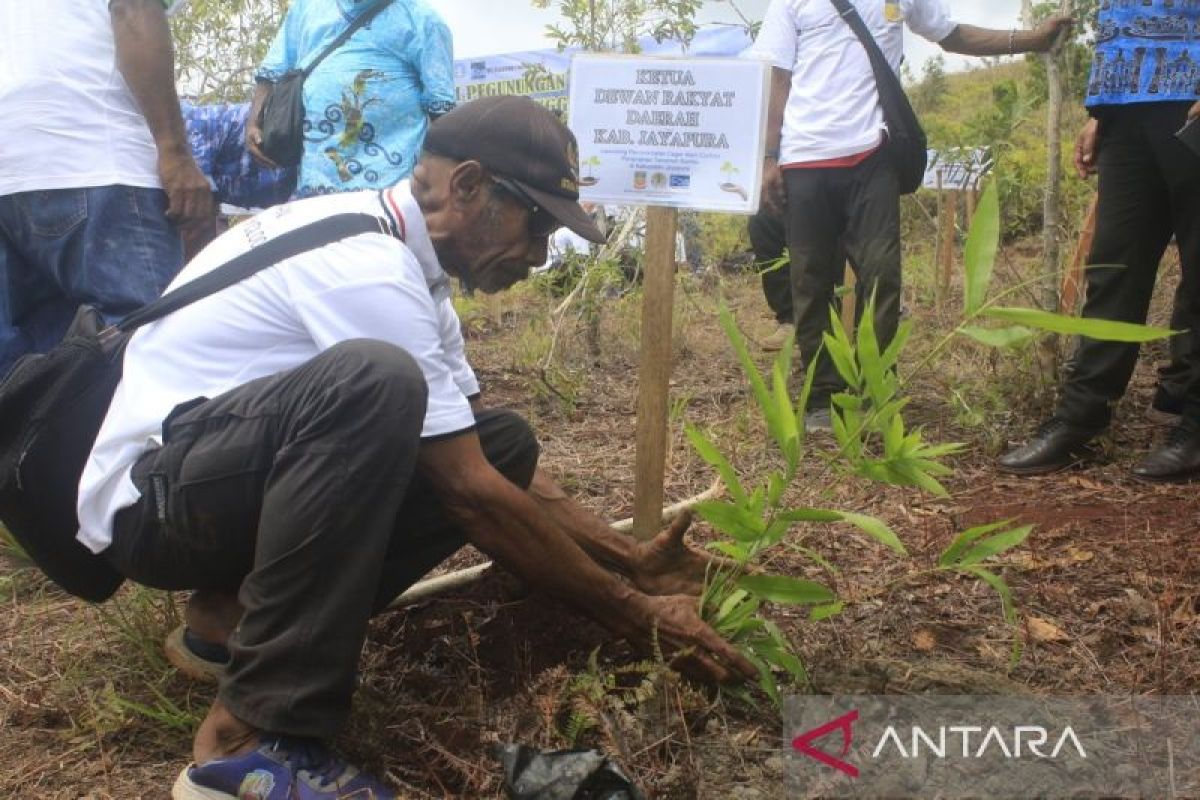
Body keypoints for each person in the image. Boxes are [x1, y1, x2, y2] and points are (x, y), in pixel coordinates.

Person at [76, 96, 754, 798]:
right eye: (538, 224)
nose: (537, 254)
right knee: (375, 384)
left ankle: (226, 625)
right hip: (154, 502)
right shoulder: (364, 262)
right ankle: (247, 745)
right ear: (466, 186)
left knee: (503, 443)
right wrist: (636, 617)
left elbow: (484, 468)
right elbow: (467, 492)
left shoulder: (408, 265)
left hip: (214, 480)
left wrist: (633, 562)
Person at [747, 1, 1070, 430]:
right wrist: (770, 157)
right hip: (804, 159)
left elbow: (952, 34)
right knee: (810, 282)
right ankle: (824, 398)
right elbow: (777, 77)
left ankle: (876, 388)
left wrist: (1032, 40)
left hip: (872, 156)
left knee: (881, 275)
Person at [998, 3, 1200, 481]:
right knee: (1112, 271)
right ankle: (1080, 417)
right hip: (1126, 111)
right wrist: (1102, 110)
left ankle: (1195, 426)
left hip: (1190, 99)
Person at [0, 0, 213, 377]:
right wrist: (174, 150)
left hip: (9, 174)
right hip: (96, 161)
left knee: (20, 382)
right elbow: (133, 9)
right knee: (149, 352)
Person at [247, 0, 456, 198]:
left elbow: (442, 113)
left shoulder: (423, 20)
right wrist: (253, 123)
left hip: (392, 195)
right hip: (315, 187)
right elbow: (272, 70)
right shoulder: (307, 7)